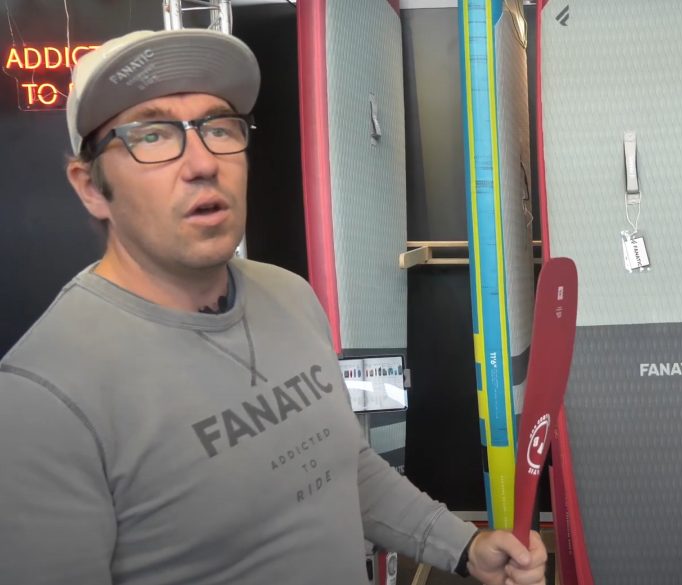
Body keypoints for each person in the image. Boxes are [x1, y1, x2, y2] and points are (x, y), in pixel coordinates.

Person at [0, 29, 547, 585]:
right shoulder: (42, 399)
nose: (202, 162)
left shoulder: (289, 294)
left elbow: (343, 468)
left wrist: (464, 546)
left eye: (218, 127)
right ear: (91, 187)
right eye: (154, 135)